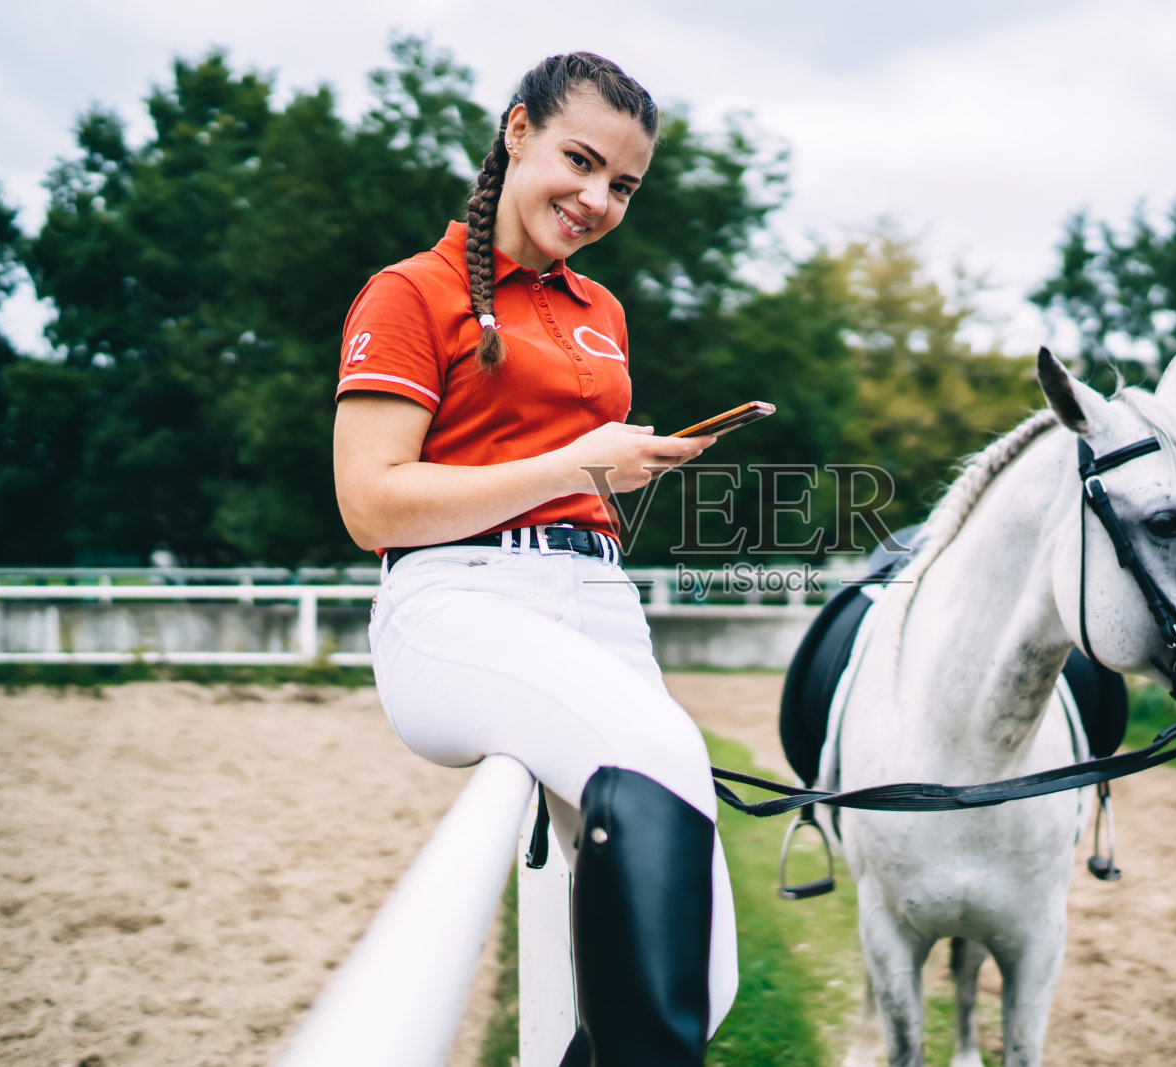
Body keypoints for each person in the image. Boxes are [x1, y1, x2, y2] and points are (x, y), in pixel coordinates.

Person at [331, 52, 736, 1067]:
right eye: (581, 161)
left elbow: (570, 475)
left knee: (707, 977)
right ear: (518, 132)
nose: (598, 198)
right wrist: (573, 462)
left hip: (598, 601)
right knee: (661, 760)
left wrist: (613, 470)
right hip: (457, 604)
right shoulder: (407, 293)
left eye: (624, 186)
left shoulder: (603, 313)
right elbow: (369, 501)